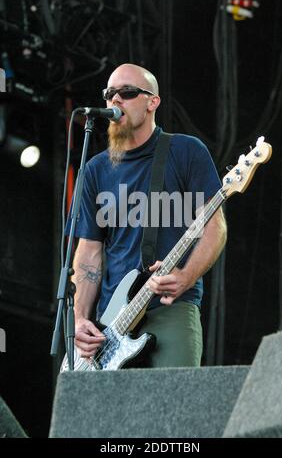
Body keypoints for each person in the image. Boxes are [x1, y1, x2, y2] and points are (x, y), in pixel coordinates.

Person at [69, 63, 227, 368]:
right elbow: (89, 254)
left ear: (152, 102)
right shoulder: (96, 170)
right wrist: (79, 320)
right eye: (109, 93)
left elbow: (214, 227)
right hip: (110, 324)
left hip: (170, 307)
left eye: (126, 93)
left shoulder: (186, 151)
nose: (115, 100)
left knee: (172, 406)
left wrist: (185, 276)